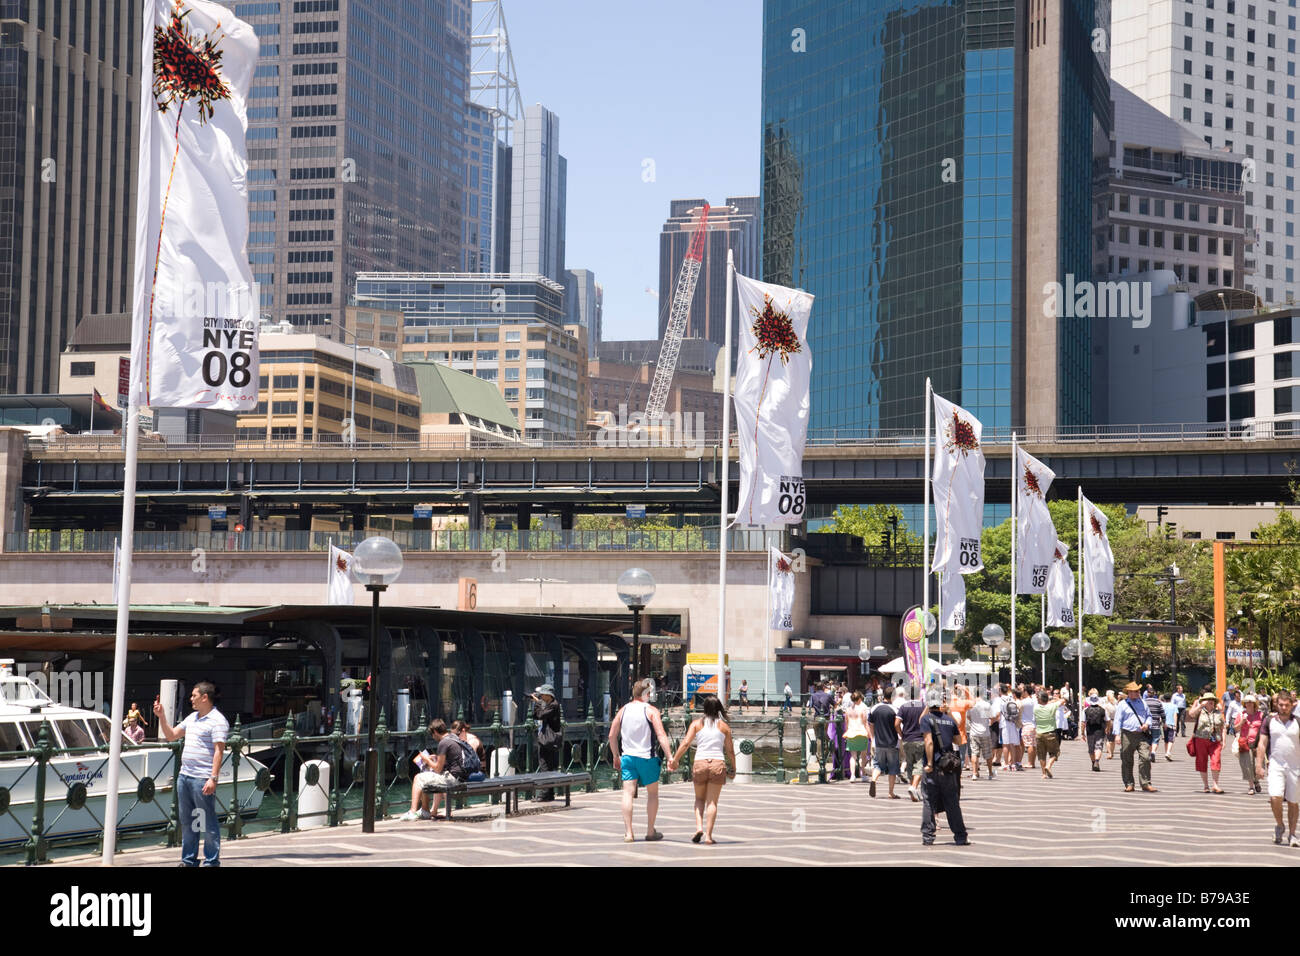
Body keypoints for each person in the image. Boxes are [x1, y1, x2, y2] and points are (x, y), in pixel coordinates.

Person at [153, 682, 228, 866]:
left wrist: (213, 778)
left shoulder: (218, 721)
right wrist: (161, 716)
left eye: (194, 695)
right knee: (188, 821)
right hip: (184, 776)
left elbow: (219, 751)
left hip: (202, 778)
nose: (191, 698)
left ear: (204, 697)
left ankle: (211, 861)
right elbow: (172, 735)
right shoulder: (192, 717)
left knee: (207, 820)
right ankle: (189, 860)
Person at [609, 679, 674, 843]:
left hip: (628, 758)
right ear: (647, 694)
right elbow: (661, 735)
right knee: (652, 794)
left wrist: (616, 756)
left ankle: (629, 833)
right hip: (647, 758)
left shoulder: (623, 710)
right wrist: (670, 757)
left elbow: (611, 735)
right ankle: (650, 831)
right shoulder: (651, 711)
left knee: (627, 793)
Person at [668, 695, 736, 845]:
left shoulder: (696, 724)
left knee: (699, 799)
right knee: (712, 803)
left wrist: (675, 760)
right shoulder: (724, 727)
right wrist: (734, 767)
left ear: (704, 709)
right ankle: (709, 836)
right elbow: (730, 750)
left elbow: (686, 743)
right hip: (718, 763)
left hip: (700, 763)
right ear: (718, 709)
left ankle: (699, 827)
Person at [919, 687, 970, 846]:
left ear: (928, 703)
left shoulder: (926, 719)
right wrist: (947, 713)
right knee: (952, 802)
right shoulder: (949, 720)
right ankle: (960, 836)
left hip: (933, 765)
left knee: (929, 802)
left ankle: (928, 836)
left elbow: (928, 741)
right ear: (941, 702)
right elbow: (958, 741)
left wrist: (928, 763)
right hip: (948, 767)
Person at [1256, 689, 1300, 846]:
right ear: (1276, 704)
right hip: (1276, 765)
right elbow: (1262, 744)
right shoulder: (1269, 721)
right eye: (1280, 705)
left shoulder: (1298, 722)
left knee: (1294, 802)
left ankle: (1293, 834)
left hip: (1295, 767)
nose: (1283, 708)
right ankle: (1280, 824)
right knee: (1275, 797)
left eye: (1286, 705)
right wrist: (1259, 765)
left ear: (1292, 705)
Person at [400, 718, 468, 820]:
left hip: (452, 779)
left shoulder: (443, 743)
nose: (433, 737)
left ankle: (413, 811)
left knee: (418, 778)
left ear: (435, 732)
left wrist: (426, 760)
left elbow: (437, 769)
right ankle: (425, 811)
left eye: (432, 734)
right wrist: (436, 758)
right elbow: (450, 760)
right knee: (425, 776)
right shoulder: (452, 738)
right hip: (460, 777)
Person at [1113, 682, 1156, 792]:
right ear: (1129, 692)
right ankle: (1129, 783)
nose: (1138, 693)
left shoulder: (1143, 703)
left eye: (1138, 691)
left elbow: (1149, 716)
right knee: (1127, 760)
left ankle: (1145, 783)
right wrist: (1117, 735)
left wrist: (1147, 724)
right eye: (1136, 691)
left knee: (1146, 758)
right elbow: (1117, 720)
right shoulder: (1122, 704)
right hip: (1127, 734)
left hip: (1142, 734)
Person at [1187, 692, 1226, 793]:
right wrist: (1200, 705)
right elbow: (1191, 714)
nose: (1210, 701)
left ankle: (1216, 785)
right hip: (1201, 739)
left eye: (1212, 700)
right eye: (1208, 700)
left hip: (1215, 741)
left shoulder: (1218, 713)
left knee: (1216, 760)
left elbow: (1223, 727)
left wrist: (1223, 740)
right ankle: (1205, 785)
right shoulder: (1199, 712)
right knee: (1202, 761)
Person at [867, 686, 901, 798]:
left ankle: (873, 780)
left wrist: (873, 739)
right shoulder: (895, 710)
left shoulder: (874, 708)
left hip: (879, 742)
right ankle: (891, 792)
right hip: (892, 742)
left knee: (877, 765)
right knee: (893, 768)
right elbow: (897, 726)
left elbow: (871, 725)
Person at [530, 684, 563, 801]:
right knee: (548, 766)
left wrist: (537, 703)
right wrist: (539, 702)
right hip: (548, 739)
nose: (541, 696)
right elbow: (535, 715)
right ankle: (549, 793)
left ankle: (545, 793)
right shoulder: (550, 704)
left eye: (543, 695)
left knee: (544, 765)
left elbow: (539, 715)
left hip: (548, 740)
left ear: (548, 695)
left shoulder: (553, 705)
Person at [897, 690, 928, 803]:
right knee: (919, 764)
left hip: (907, 739)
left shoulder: (903, 707)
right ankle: (914, 787)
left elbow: (896, 723)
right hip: (920, 738)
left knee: (910, 765)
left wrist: (901, 734)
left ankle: (913, 791)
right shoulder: (923, 706)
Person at [1235, 694, 1265, 795]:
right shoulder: (1241, 714)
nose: (1248, 704)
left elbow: (1265, 727)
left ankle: (1256, 780)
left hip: (1259, 743)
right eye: (1246, 702)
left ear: (1254, 704)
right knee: (1248, 765)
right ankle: (1251, 786)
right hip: (1245, 742)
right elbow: (1235, 728)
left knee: (1260, 765)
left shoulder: (1260, 715)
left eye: (1250, 702)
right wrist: (1242, 722)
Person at [966, 687, 998, 779]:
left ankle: (974, 773)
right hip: (985, 731)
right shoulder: (986, 705)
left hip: (974, 732)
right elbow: (992, 717)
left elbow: (968, 717)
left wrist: (974, 721)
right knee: (988, 754)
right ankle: (990, 773)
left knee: (974, 752)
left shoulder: (971, 705)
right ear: (983, 694)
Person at [1034, 690, 1065, 779]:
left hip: (1039, 733)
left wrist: (1050, 701)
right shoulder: (1052, 706)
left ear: (1039, 699)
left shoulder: (1036, 708)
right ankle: (1048, 765)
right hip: (1050, 732)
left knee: (1041, 755)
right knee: (1055, 752)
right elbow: (1063, 701)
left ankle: (1043, 774)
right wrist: (1055, 699)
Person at [843, 691, 872, 781]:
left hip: (851, 733)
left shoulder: (848, 710)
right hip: (862, 732)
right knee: (863, 755)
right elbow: (865, 723)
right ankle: (863, 774)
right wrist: (870, 734)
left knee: (853, 756)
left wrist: (846, 732)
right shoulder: (862, 709)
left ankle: (852, 776)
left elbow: (846, 723)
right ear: (859, 699)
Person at [948, 685, 973, 777]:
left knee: (949, 756)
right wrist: (966, 690)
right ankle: (958, 775)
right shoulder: (963, 703)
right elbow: (973, 701)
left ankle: (949, 774)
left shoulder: (946, 704)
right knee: (961, 757)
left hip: (948, 735)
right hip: (961, 734)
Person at [1083, 692, 1109, 771]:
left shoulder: (1085, 710)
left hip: (1090, 730)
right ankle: (1097, 761)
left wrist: (1081, 733)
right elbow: (1108, 720)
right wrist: (1108, 728)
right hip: (1100, 729)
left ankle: (1093, 762)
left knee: (1091, 748)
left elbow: (1083, 722)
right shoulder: (1103, 710)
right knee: (1099, 746)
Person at [1160, 694, 1179, 760]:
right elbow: (1175, 716)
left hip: (1164, 724)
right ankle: (1168, 752)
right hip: (1171, 724)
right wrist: (1175, 725)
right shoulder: (1174, 706)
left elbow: (1161, 715)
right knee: (1171, 739)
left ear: (1164, 699)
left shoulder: (1162, 706)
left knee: (1166, 740)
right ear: (1171, 698)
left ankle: (1166, 753)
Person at [1102, 690, 1119, 759]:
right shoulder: (1116, 706)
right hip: (1115, 722)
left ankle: (1110, 753)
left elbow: (1106, 716)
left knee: (1108, 739)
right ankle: (1112, 751)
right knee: (1113, 739)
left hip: (1108, 722)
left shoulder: (1106, 706)